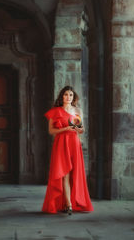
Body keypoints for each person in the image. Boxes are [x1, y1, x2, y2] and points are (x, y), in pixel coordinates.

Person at [42, 86, 93, 215]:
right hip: (60, 144)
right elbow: (51, 131)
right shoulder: (55, 111)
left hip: (74, 143)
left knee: (74, 173)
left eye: (70, 95)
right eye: (65, 95)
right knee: (64, 173)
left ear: (73, 97)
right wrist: (65, 129)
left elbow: (81, 129)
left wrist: (80, 130)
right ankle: (68, 204)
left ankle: (71, 202)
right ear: (61, 97)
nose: (68, 97)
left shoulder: (78, 111)